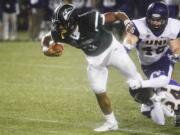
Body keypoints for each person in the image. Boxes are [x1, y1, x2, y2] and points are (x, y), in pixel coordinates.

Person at [41, 4, 142, 132]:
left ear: (72, 21)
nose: (58, 28)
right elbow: (46, 38)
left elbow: (117, 15)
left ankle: (151, 101)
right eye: (57, 24)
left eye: (61, 24)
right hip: (94, 60)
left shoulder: (90, 19)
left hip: (113, 50)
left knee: (136, 81)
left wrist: (128, 22)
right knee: (99, 91)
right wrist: (46, 50)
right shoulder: (60, 32)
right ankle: (111, 123)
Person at [123, 2, 180, 125]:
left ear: (165, 19)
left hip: (164, 58)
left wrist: (176, 54)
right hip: (147, 63)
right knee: (162, 90)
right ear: (147, 17)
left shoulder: (173, 26)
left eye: (159, 20)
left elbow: (175, 46)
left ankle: (175, 110)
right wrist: (125, 48)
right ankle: (151, 104)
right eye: (152, 19)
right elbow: (129, 40)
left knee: (164, 82)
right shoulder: (138, 26)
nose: (155, 23)